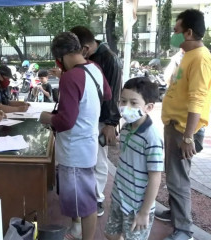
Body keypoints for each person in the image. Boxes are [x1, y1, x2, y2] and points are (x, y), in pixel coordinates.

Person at [39, 32, 111, 240]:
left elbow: (66, 121)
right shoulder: (93, 68)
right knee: (82, 197)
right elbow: (106, 94)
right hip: (88, 142)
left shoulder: (71, 77)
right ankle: (76, 230)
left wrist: (46, 118)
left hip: (74, 149)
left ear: (59, 57)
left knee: (86, 203)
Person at [158, 9, 211, 240]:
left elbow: (196, 99)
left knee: (178, 178)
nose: (174, 34)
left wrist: (189, 136)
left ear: (188, 32)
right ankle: (176, 214)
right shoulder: (187, 55)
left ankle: (184, 230)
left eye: (176, 30)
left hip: (183, 130)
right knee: (174, 175)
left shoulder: (200, 58)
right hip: (175, 126)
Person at [71, 25, 123, 217]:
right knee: (89, 159)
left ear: (84, 48)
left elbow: (113, 93)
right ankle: (89, 195)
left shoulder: (109, 59)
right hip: (89, 118)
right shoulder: (91, 57)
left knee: (99, 159)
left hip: (102, 120)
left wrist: (110, 124)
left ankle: (97, 199)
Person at [104, 77, 163, 240]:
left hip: (137, 206)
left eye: (133, 103)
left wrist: (144, 212)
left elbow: (155, 177)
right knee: (110, 234)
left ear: (148, 107)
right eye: (123, 101)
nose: (125, 107)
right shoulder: (126, 127)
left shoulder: (152, 138)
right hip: (119, 197)